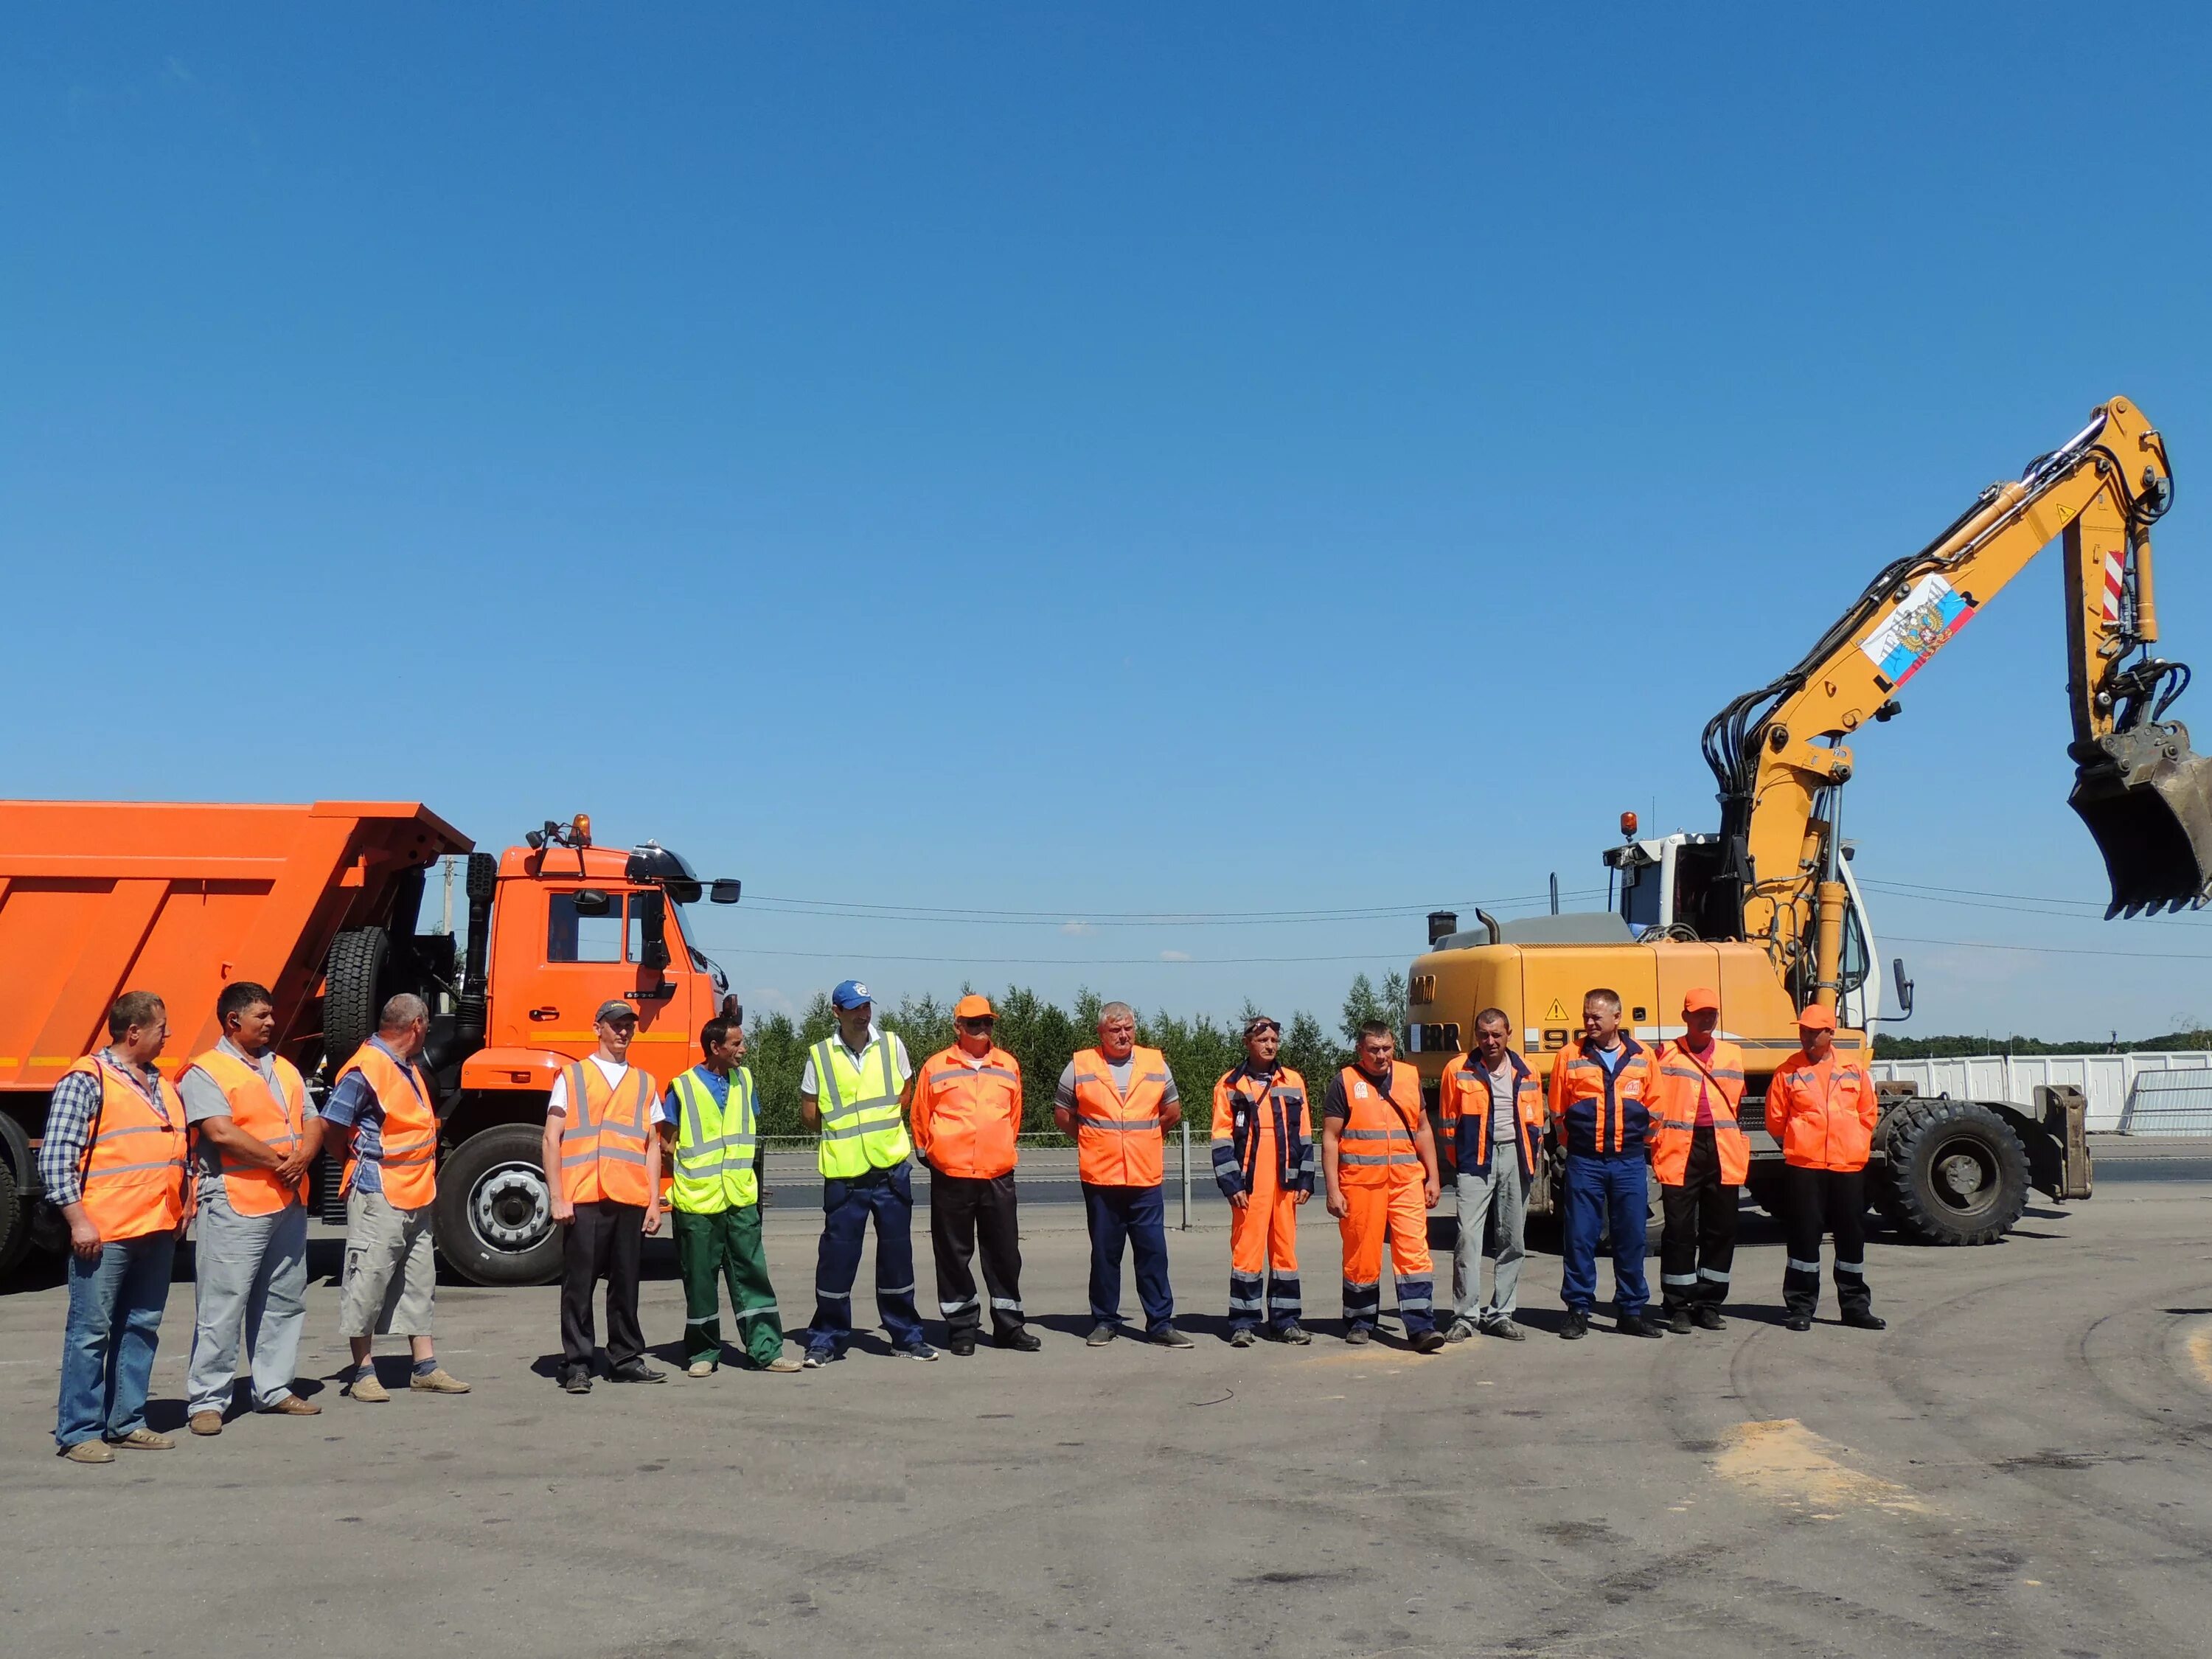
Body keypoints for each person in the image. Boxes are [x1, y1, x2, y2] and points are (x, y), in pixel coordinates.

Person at [44, 991, 192, 1463]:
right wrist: (78, 1221)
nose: (167, 1034)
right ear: (135, 1032)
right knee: (91, 1332)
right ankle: (79, 1431)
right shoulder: (87, 1080)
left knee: (141, 1327)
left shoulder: (160, 1083)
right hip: (103, 1234)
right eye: (161, 1027)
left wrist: (183, 1202)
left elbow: (174, 1151)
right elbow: (55, 1161)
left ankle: (127, 1421)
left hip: (156, 1227)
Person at [178, 981, 321, 1434]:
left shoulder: (285, 1069)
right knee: (223, 1304)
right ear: (233, 1021)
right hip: (235, 1201)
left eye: (271, 1014)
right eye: (262, 1015)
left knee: (283, 1300)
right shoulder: (207, 1071)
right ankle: (207, 1401)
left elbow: (314, 1119)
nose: (272, 1022)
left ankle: (274, 1389)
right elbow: (220, 1133)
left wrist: (304, 1156)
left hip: (287, 1200)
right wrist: (284, 1162)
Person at [323, 994, 470, 1400]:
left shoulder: (402, 1066)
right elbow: (332, 1124)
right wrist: (355, 1161)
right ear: (418, 1025)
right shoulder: (367, 1068)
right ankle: (362, 1372)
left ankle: (425, 1366)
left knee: (418, 1281)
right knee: (368, 1280)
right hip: (378, 1191)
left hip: (415, 1191)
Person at [801, 980, 934, 1364]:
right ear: (836, 1012)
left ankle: (906, 1336)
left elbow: (905, 1090)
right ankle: (826, 1338)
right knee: (837, 1261)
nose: (863, 1014)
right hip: (845, 1176)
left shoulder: (892, 1045)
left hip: (890, 1171)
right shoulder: (821, 1055)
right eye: (855, 1008)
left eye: (866, 1006)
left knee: (897, 1259)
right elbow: (810, 1113)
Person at [659, 1013, 800, 1377]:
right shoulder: (683, 1086)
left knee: (753, 1276)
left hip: (739, 1198)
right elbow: (666, 1144)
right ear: (715, 1047)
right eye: (736, 1044)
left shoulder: (746, 1081)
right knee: (701, 1280)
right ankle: (703, 1353)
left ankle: (767, 1351)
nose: (743, 1049)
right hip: (698, 1201)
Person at [546, 1000, 667, 1391]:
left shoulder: (646, 1082)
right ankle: (578, 1362)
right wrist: (557, 1196)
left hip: (629, 1196)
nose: (623, 1032)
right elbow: (551, 1138)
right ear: (597, 1028)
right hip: (584, 1194)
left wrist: (653, 1200)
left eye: (629, 1025)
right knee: (579, 1284)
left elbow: (652, 1146)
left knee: (626, 1283)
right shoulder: (573, 1076)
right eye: (616, 1025)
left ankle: (625, 1357)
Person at [912, 994, 1039, 1356]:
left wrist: (996, 1148)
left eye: (988, 1022)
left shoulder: (1008, 1065)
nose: (982, 1029)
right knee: (954, 1254)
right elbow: (921, 1117)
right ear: (958, 1027)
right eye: (974, 1023)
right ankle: (962, 1327)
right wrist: (935, 1155)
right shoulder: (937, 1066)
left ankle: (1010, 1326)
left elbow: (1013, 1117)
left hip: (997, 1172)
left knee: (1004, 1253)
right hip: (951, 1174)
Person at [1058, 1001, 1190, 1348]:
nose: (1123, 1035)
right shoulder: (1080, 1065)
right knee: (1105, 1254)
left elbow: (1172, 1112)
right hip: (1101, 1179)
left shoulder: (1155, 1063)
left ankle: (1160, 1323)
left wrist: (1142, 1140)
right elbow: (1062, 1114)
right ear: (1101, 1033)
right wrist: (1094, 1141)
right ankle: (1104, 1321)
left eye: (1128, 1028)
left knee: (1153, 1253)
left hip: (1145, 1178)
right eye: (1115, 1029)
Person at [1321, 1021, 1445, 1352]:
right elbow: (1330, 1139)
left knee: (1414, 1254)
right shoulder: (1344, 1082)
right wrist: (1332, 1190)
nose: (1381, 1056)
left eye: (1386, 1048)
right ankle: (1360, 1322)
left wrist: (1433, 1176)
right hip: (1360, 1185)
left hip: (1406, 1182)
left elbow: (1422, 1129)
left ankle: (1421, 1327)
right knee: (1362, 1254)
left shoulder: (1408, 1077)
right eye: (1373, 1050)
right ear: (1360, 1051)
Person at [1549, 988, 1663, 1340]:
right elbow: (1558, 1112)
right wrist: (1579, 1146)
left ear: (1617, 1018)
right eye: (1586, 1016)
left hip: (1628, 1163)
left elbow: (1657, 1111)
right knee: (1580, 1237)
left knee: (1631, 1237)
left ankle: (1630, 1311)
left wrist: (1634, 1144)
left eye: (1596, 1017)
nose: (1589, 1022)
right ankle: (1579, 1310)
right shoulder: (1569, 1056)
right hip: (1585, 1163)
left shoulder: (1643, 1057)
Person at [1767, 1004, 1886, 1332]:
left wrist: (1854, 1143)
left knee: (1851, 1238)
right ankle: (1800, 1307)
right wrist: (1800, 1142)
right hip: (1805, 1167)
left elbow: (1867, 1114)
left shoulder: (1853, 1068)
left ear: (1829, 1033)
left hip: (1847, 1166)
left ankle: (1855, 1308)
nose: (1805, 1036)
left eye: (1812, 1031)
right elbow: (1775, 1121)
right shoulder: (1786, 1071)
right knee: (1804, 1239)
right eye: (1802, 1030)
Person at [1437, 1007, 1542, 1343]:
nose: (1490, 1041)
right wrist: (1462, 1162)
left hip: (1515, 1155)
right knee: (1468, 1237)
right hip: (1474, 1161)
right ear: (1476, 1035)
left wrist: (1530, 1158)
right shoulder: (1458, 1069)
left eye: (1496, 1034)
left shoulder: (1528, 1070)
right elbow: (1448, 1122)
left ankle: (1502, 1313)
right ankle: (1465, 1316)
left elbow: (1536, 1121)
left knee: (1512, 1238)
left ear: (1508, 1033)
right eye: (1483, 1034)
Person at [1649, 987, 1749, 1333]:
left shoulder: (1733, 1055)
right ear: (1685, 1017)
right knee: (1678, 1230)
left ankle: (1708, 1304)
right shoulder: (1666, 1055)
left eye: (1712, 1013)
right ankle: (1677, 1304)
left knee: (1720, 1229)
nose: (1707, 1019)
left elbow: (1737, 1103)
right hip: (1680, 1149)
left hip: (1721, 1148)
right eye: (1700, 1013)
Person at [1209, 1014, 1312, 1346]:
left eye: (1274, 1041)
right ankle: (1243, 1323)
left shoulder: (1293, 1081)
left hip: (1285, 1181)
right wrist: (1232, 1185)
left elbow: (1305, 1134)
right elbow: (1221, 1140)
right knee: (1247, 1252)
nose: (1270, 1046)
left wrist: (1306, 1179)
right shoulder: (1229, 1085)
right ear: (1247, 1043)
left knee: (1285, 1252)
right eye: (1263, 1040)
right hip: (1249, 1184)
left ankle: (1286, 1322)